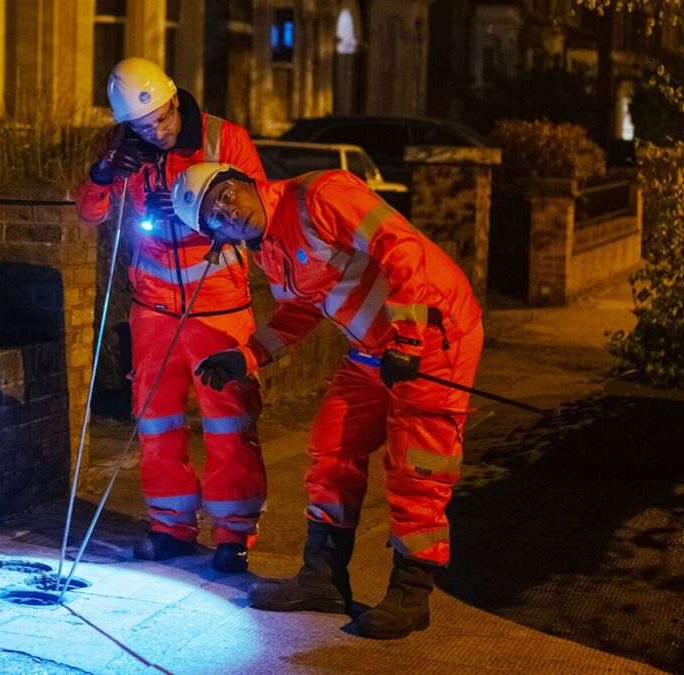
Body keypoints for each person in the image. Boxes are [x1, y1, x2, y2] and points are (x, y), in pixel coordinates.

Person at [169, 162, 484, 638]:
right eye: (212, 217)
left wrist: (410, 338)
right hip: (375, 350)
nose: (226, 212)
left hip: (436, 336)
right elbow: (301, 309)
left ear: (243, 179)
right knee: (331, 445)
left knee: (417, 465)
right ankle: (323, 578)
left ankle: (411, 594)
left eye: (225, 195)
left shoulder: (319, 195)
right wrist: (247, 356)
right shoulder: (267, 250)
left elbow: (396, 243)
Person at [76, 58, 268, 573]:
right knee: (157, 424)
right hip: (154, 307)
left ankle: (232, 535)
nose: (156, 132)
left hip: (219, 306)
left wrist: (193, 214)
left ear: (175, 100)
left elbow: (257, 213)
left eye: (161, 119)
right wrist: (101, 175)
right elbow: (90, 212)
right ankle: (171, 527)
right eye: (142, 127)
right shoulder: (121, 149)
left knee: (230, 423)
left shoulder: (225, 139)